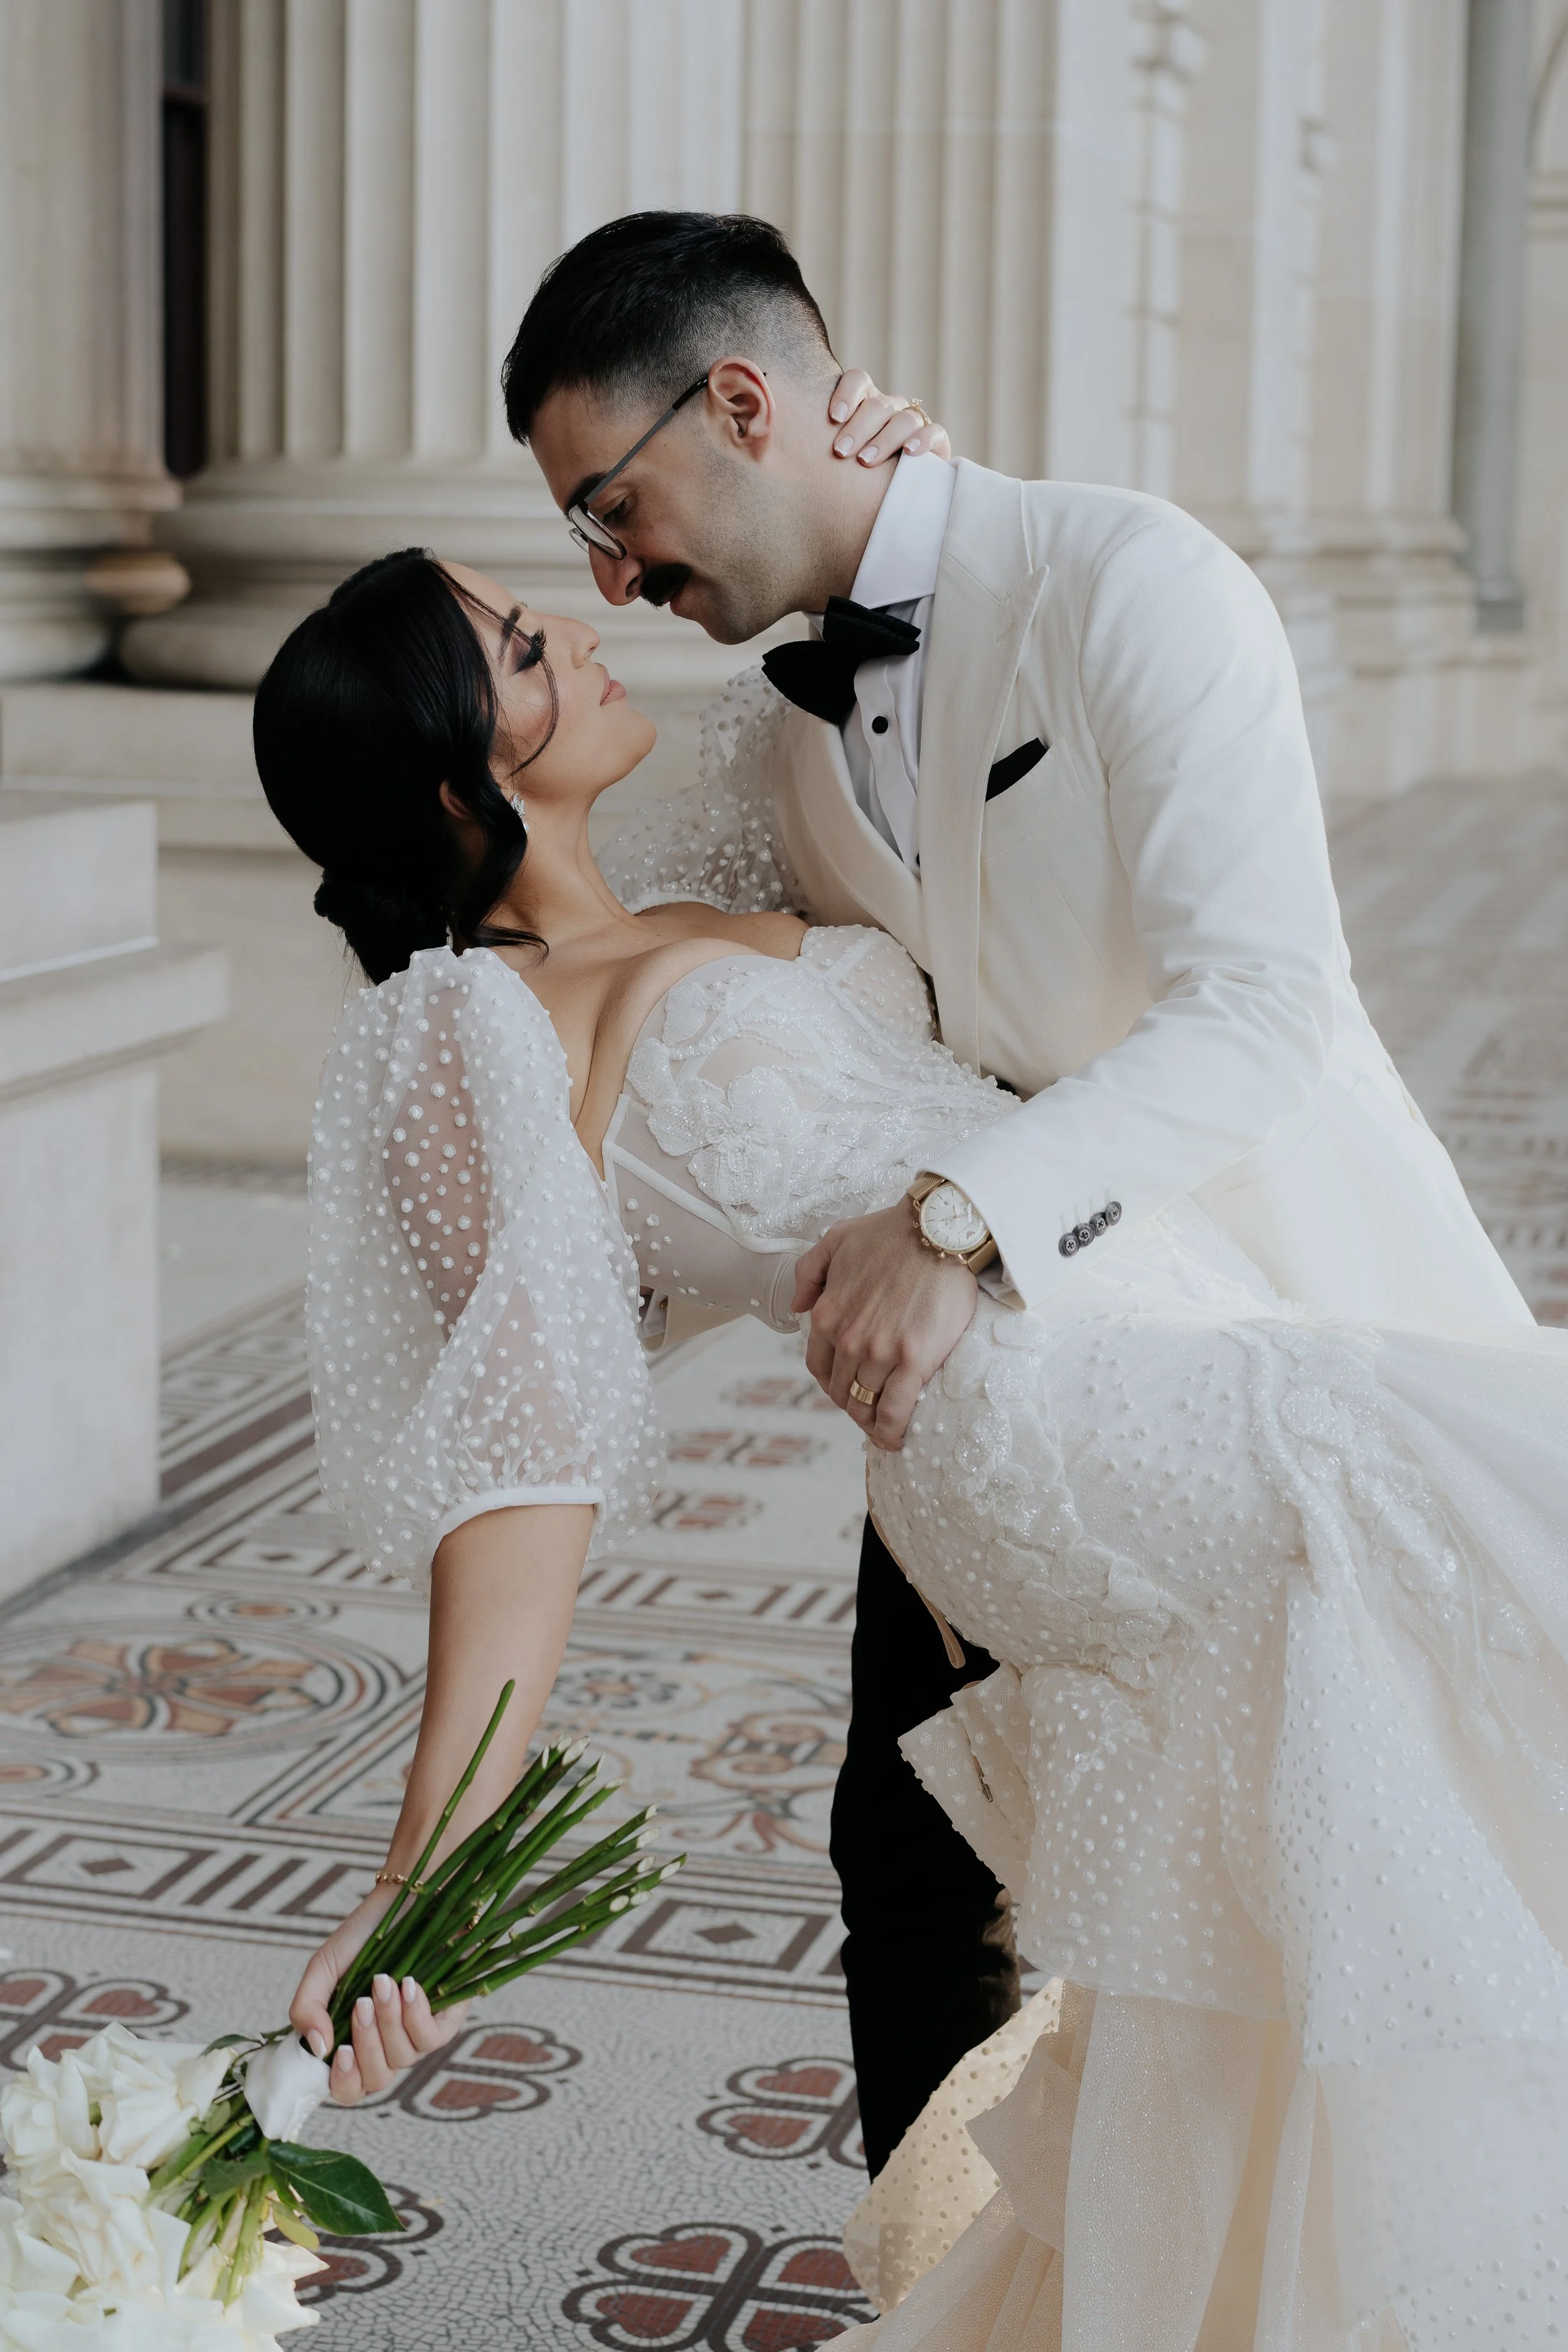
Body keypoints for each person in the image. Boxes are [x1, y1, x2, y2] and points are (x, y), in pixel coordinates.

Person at [255, 546, 1567, 2349]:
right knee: (1497, 1503)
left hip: (1170, 1312)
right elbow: (520, 1476)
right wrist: (418, 1875)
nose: (569, 622)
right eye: (511, 646)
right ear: (440, 775)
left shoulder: (710, 860)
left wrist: (892, 451)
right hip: (1044, 1429)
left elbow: (873, 606)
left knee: (1348, 1849)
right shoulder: (474, 1039)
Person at [501, 209, 1535, 2180]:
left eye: (611, 506)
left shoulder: (1132, 580)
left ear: (741, 398)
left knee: (1345, 1883)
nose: (610, 576)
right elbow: (611, 974)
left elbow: (1266, 1009)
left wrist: (959, 1217)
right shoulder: (766, 737)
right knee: (912, 1869)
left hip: (1264, 1333)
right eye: (576, 542)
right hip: (985, 1406)